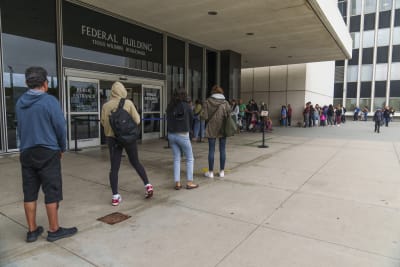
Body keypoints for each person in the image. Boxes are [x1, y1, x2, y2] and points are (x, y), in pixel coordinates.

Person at [16, 66, 77, 242]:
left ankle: (32, 230)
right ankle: (54, 230)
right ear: (44, 83)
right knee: (52, 191)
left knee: (29, 192)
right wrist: (61, 147)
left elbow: (20, 128)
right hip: (47, 151)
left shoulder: (20, 102)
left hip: (27, 152)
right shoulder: (49, 101)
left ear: (28, 83)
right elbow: (60, 127)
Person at [101, 81, 153, 206]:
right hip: (129, 138)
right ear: (122, 90)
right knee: (135, 162)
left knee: (114, 168)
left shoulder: (106, 105)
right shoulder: (128, 103)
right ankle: (148, 185)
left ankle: (115, 196)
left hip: (113, 139)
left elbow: (103, 122)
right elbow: (137, 120)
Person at [166, 88, 198, 190]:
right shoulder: (186, 106)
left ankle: (177, 183)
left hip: (171, 135)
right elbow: (192, 118)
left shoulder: (170, 106)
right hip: (183, 135)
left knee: (176, 158)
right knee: (189, 158)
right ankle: (189, 182)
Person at [203, 85, 231, 178]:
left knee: (211, 150)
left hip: (211, 127)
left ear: (213, 92)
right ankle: (222, 172)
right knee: (222, 149)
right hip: (222, 128)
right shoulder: (225, 102)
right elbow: (229, 114)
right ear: (221, 92)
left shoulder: (207, 101)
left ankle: (210, 173)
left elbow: (205, 117)